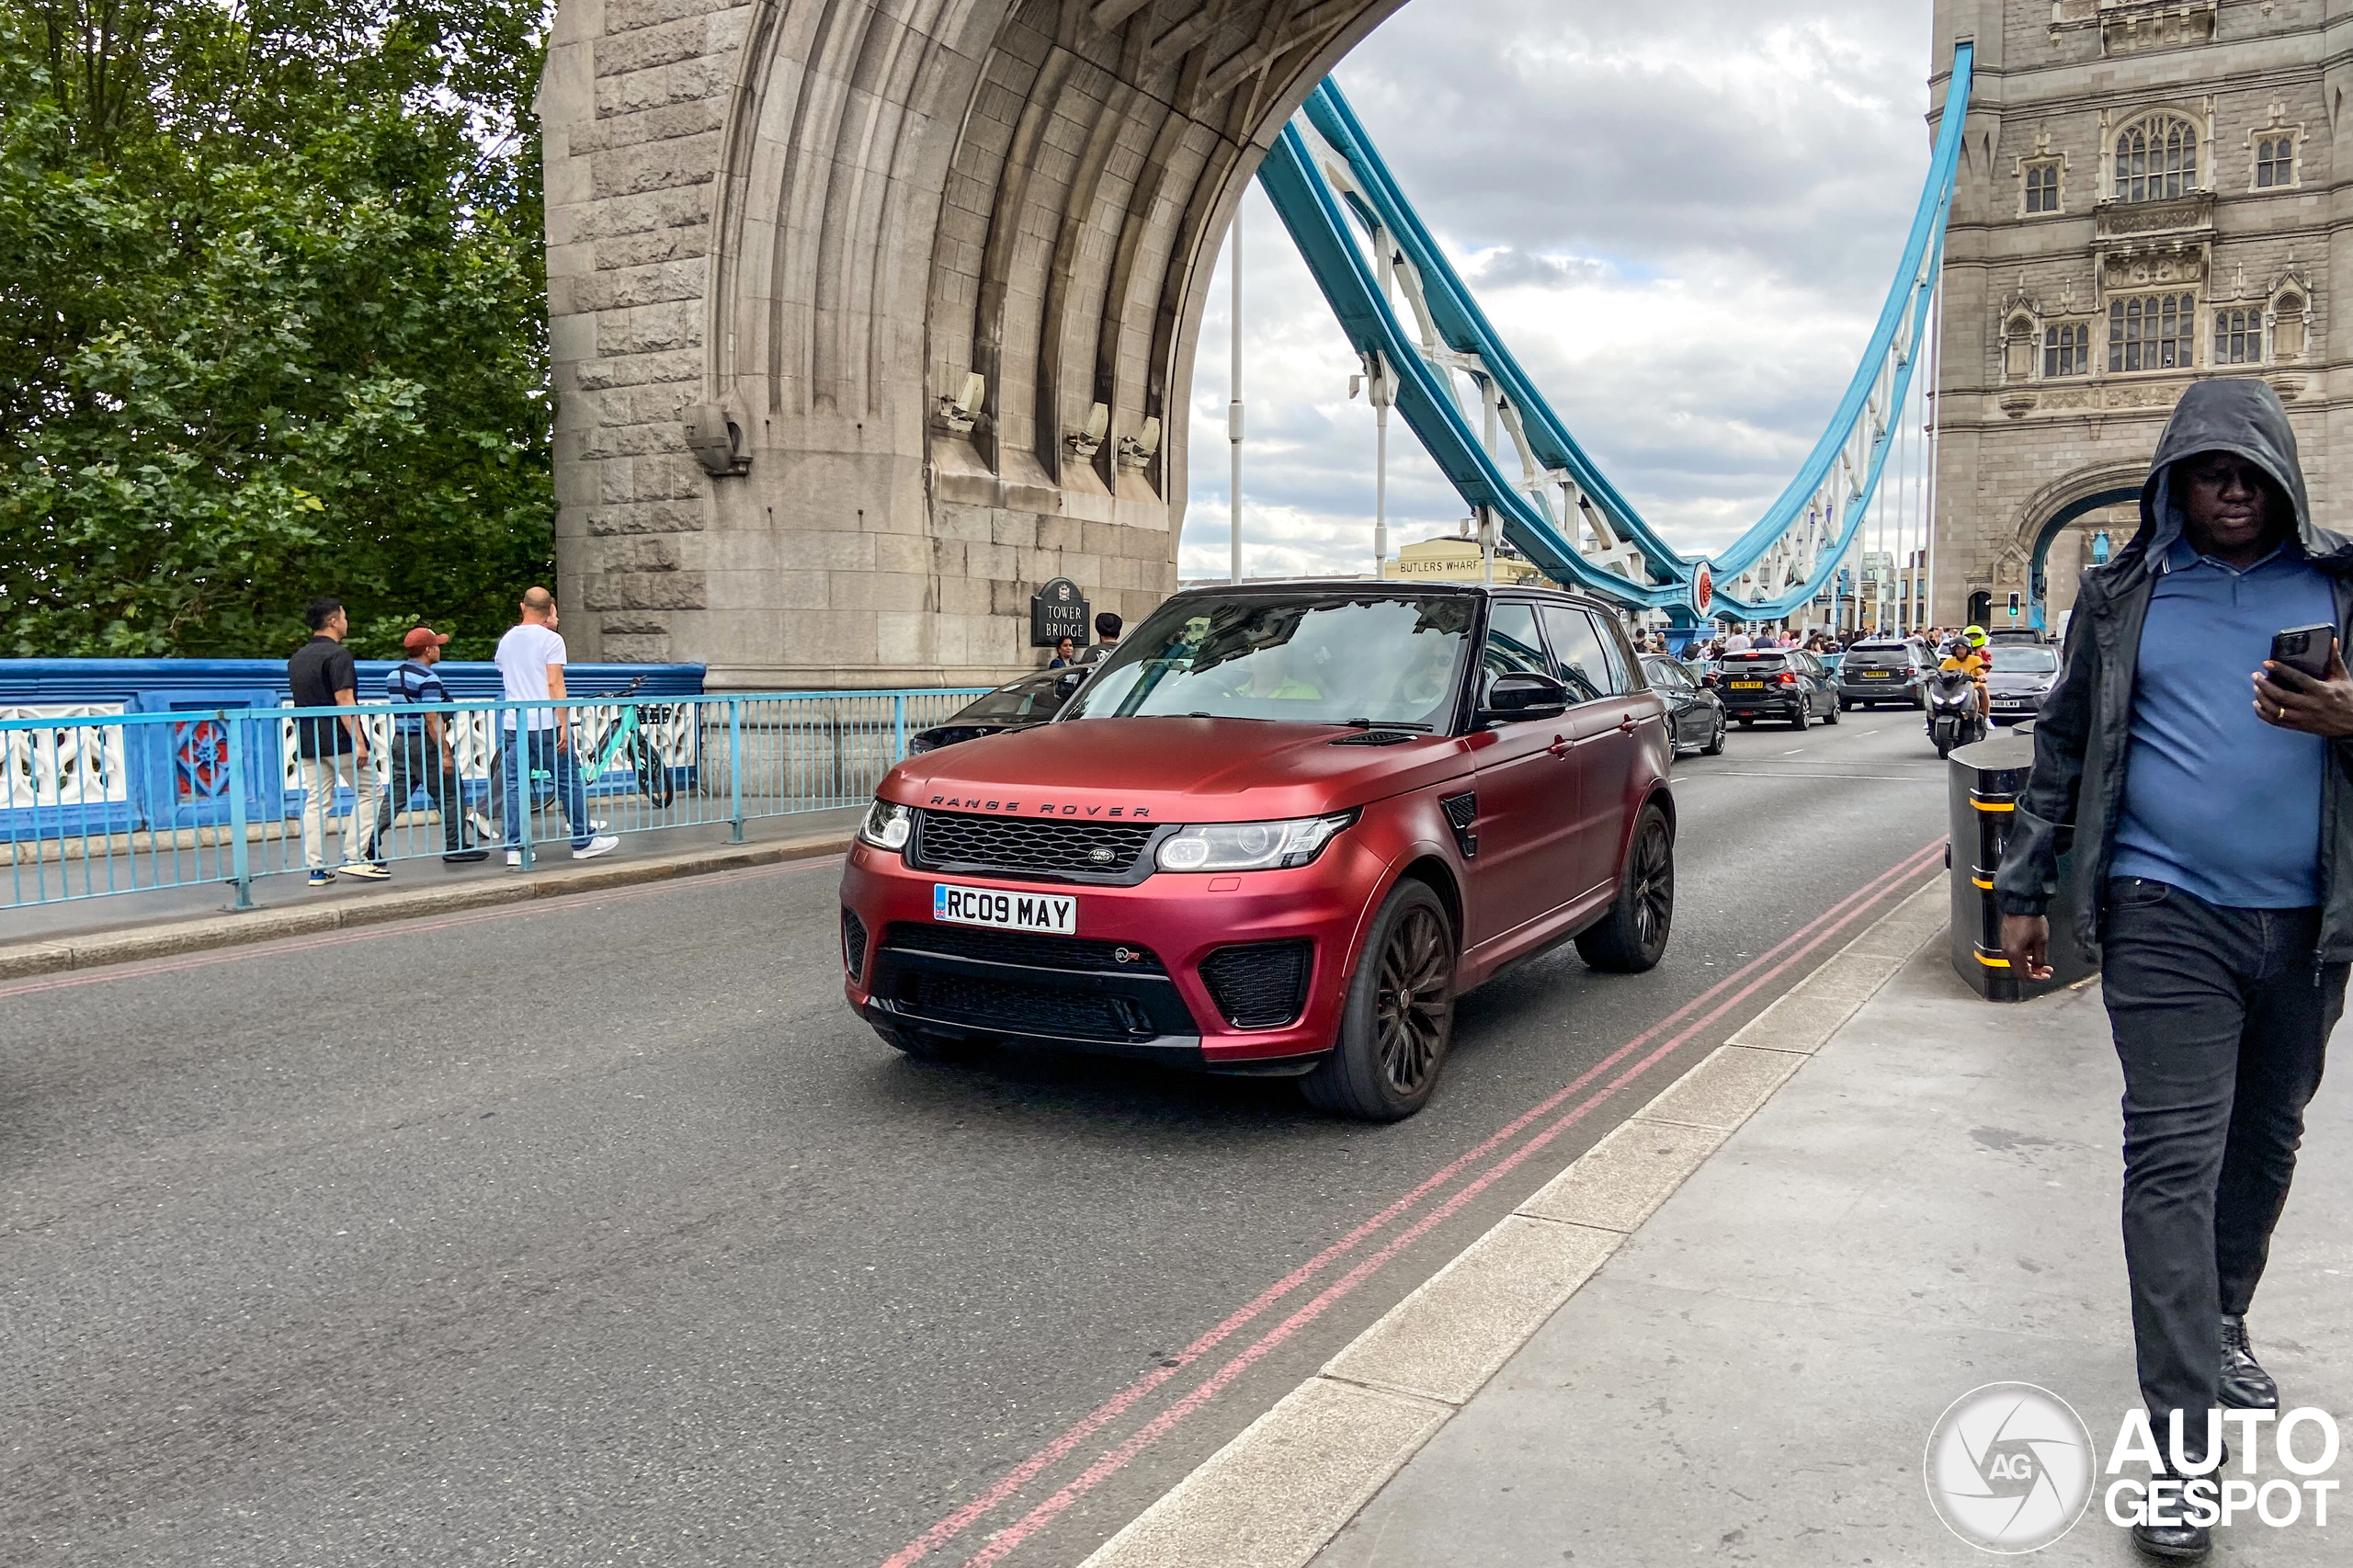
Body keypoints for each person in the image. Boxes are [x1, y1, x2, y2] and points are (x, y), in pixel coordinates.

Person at [1997, 379, 2353, 1563]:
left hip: (2309, 922)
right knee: (2171, 1159)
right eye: (2210, 471)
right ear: (2172, 479)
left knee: (2267, 1137)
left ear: (2286, 477)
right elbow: (2060, 744)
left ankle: (2227, 1312)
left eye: (2252, 472)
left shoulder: (2343, 584)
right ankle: (2181, 1457)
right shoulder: (2120, 594)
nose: (2234, 491)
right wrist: (2025, 885)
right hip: (2163, 912)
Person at [494, 587, 619, 866]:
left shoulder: (507, 641)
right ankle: (582, 840)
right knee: (568, 780)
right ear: (550, 609)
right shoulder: (552, 640)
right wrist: (563, 721)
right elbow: (554, 683)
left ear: (522, 607)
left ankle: (515, 848)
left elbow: (505, 673)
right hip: (545, 723)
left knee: (514, 785)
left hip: (515, 722)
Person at [287, 597, 386, 887]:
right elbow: (344, 700)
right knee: (372, 793)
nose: (346, 620)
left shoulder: (297, 657)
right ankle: (354, 858)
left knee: (317, 802)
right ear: (333, 621)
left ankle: (316, 868)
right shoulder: (339, 656)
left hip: (308, 739)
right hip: (339, 739)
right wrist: (359, 742)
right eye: (344, 615)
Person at [376, 626, 488, 865]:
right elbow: (432, 718)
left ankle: (368, 842)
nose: (439, 649)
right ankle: (456, 846)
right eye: (436, 645)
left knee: (395, 797)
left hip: (400, 741)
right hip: (425, 743)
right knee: (450, 794)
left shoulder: (393, 676)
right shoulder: (429, 679)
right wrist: (445, 754)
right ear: (428, 650)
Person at [1939, 624, 1991, 721]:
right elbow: (1939, 672)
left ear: (1968, 649)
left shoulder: (1976, 659)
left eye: (1963, 648)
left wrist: (1982, 676)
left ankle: (1977, 719)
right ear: (1953, 650)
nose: (1960, 651)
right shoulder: (1948, 661)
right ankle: (1932, 718)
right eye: (1958, 649)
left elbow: (1981, 671)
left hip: (1970, 686)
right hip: (1952, 688)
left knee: (1977, 693)